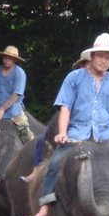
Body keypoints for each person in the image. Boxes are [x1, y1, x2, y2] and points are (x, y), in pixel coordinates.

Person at [22, 33, 109, 216]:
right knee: (54, 163)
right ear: (92, 56)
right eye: (100, 56)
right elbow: (65, 107)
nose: (103, 60)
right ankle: (44, 210)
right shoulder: (74, 78)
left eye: (108, 57)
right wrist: (62, 132)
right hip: (77, 134)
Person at [20, 54, 89, 185]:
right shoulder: (74, 81)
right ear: (82, 65)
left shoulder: (104, 82)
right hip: (70, 117)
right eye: (88, 64)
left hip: (94, 123)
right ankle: (36, 171)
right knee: (42, 139)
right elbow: (65, 106)